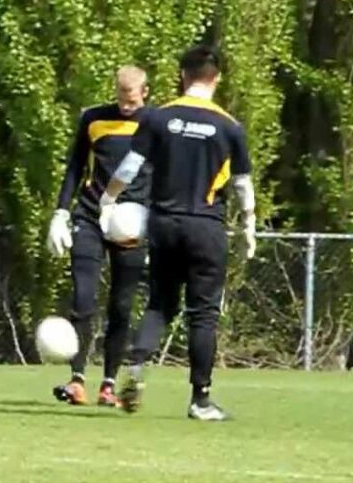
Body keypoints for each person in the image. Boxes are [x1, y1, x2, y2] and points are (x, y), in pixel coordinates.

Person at [100, 45, 256, 421]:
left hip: (164, 224)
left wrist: (107, 200)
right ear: (216, 78)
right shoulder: (229, 126)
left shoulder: (158, 117)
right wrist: (249, 225)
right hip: (206, 226)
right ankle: (200, 400)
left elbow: (131, 165)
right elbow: (242, 185)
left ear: (183, 76)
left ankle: (136, 365)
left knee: (159, 303)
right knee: (202, 314)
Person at [46, 66, 152, 407]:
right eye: (121, 99)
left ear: (145, 93)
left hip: (132, 223)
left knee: (121, 305)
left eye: (132, 100)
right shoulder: (93, 118)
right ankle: (77, 380)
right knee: (83, 298)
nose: (125, 106)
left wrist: (158, 226)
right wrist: (61, 213)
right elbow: (75, 166)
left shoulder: (158, 124)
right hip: (90, 216)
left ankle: (108, 385)